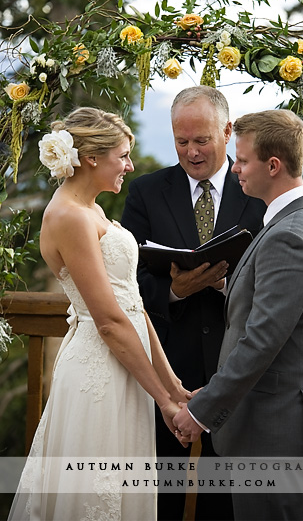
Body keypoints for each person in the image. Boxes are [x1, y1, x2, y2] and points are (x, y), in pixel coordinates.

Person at [8, 107, 190, 521]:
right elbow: (108, 321)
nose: (129, 165)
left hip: (128, 368)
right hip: (99, 374)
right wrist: (162, 400)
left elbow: (133, 305)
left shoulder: (92, 208)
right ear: (91, 158)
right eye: (123, 155)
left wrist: (173, 385)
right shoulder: (69, 216)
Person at [173, 109, 303, 521]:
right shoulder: (297, 220)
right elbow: (276, 304)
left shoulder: (290, 237)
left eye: (243, 161)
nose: (235, 171)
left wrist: (200, 410)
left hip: (274, 430)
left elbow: (263, 340)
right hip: (273, 423)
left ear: (273, 165)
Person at [121, 86, 266, 520]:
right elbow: (127, 283)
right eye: (181, 141)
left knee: (223, 502)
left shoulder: (258, 191)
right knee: (158, 496)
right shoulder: (146, 191)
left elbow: (274, 279)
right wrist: (173, 291)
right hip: (165, 375)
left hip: (233, 370)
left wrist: (224, 286)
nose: (192, 152)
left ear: (226, 131)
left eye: (201, 140)